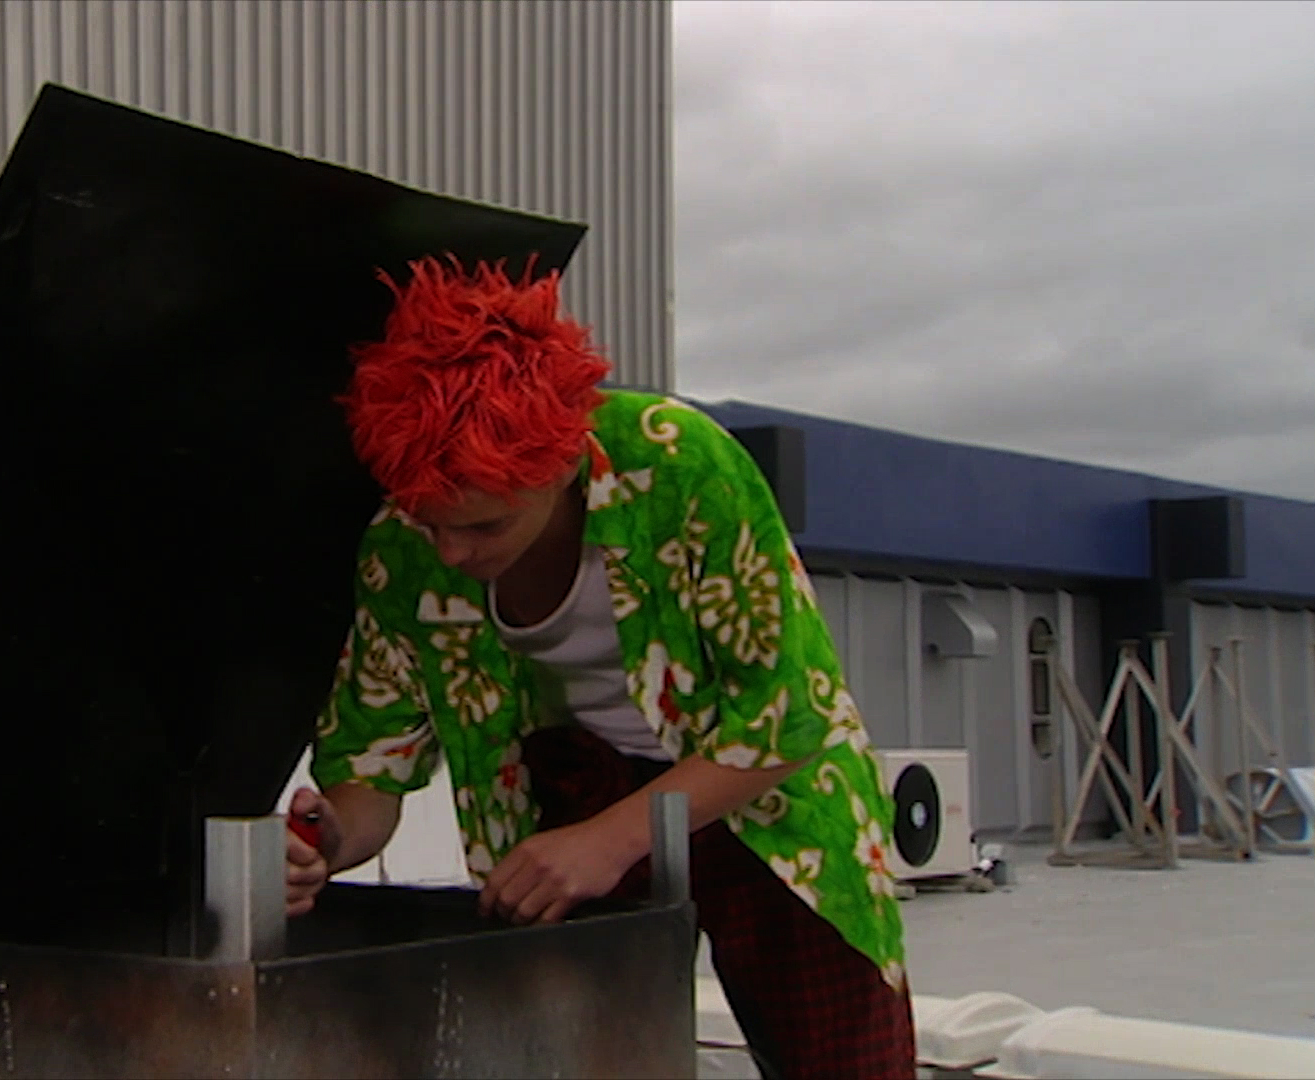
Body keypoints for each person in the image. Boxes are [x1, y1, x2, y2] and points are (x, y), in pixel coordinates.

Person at [282, 255, 916, 1079]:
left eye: (483, 526)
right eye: (427, 522)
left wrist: (612, 839)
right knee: (577, 1059)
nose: (450, 552)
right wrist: (330, 840)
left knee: (841, 1058)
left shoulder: (681, 465)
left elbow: (791, 713)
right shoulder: (399, 552)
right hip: (570, 802)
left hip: (766, 796)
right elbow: (372, 769)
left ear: (559, 463)